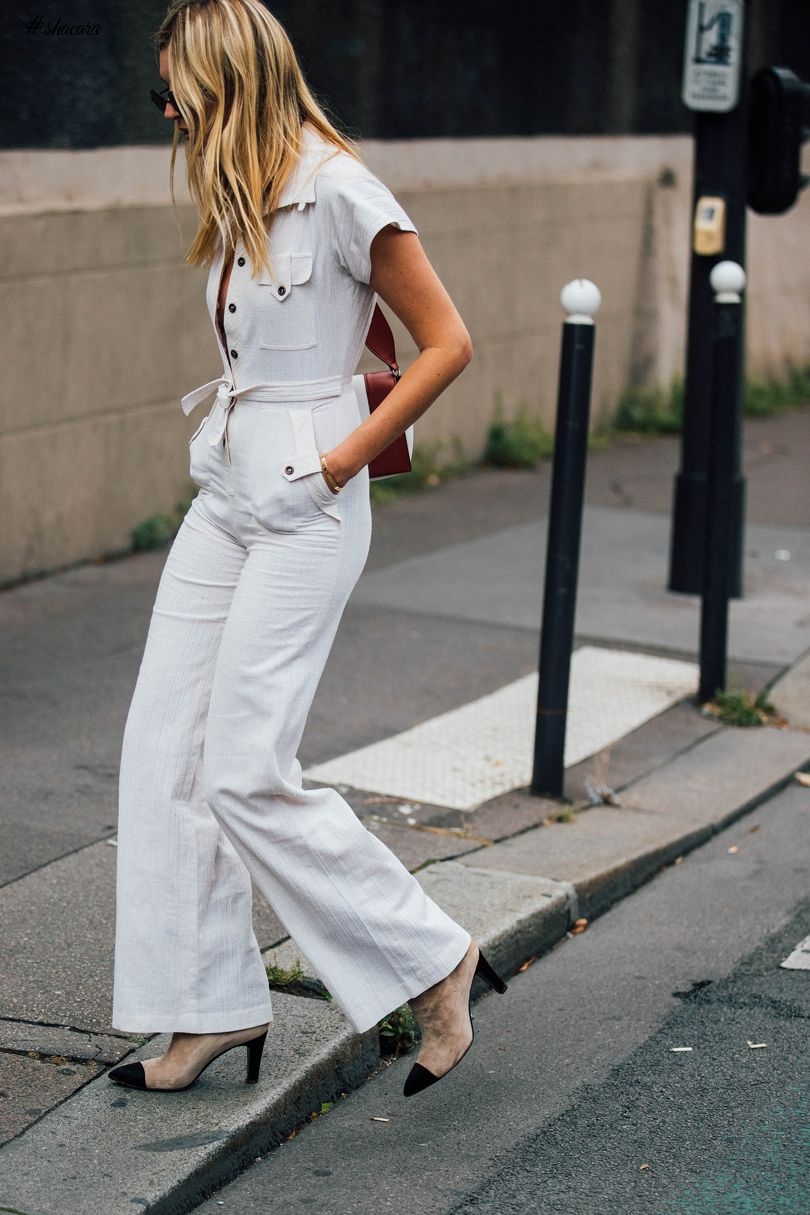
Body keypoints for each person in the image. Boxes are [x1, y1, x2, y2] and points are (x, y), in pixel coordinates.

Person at [108, 0, 506, 1100]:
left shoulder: (337, 189)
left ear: (224, 77)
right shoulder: (243, 196)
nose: (172, 113)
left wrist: (335, 466)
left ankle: (434, 962)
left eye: (175, 90)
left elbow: (448, 343)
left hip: (305, 506)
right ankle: (206, 1011)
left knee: (244, 771)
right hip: (227, 492)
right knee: (163, 753)